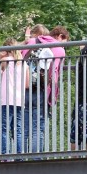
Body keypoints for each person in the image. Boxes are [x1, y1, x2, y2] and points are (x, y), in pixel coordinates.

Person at [22, 24, 57, 154]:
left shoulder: (27, 45)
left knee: (24, 125)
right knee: (38, 127)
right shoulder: (47, 48)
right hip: (39, 89)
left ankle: (21, 155)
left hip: (24, 89)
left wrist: (26, 39)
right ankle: (37, 156)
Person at [0, 37, 26, 155]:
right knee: (17, 129)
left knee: (4, 128)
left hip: (6, 99)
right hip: (19, 99)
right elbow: (26, 83)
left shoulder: (5, 60)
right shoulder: (22, 63)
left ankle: (5, 154)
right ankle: (19, 154)